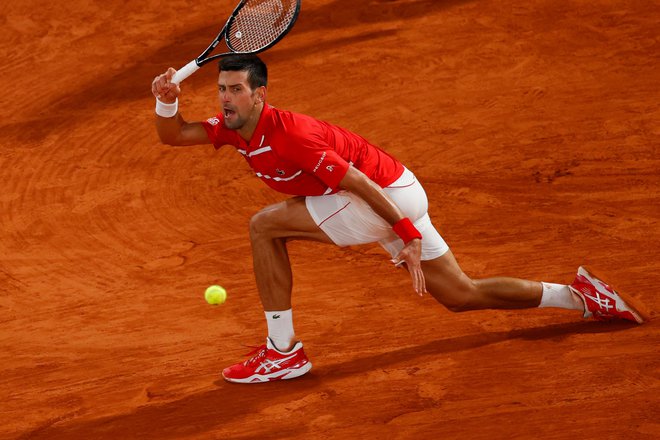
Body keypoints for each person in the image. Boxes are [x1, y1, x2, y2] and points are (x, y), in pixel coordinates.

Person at [151, 54, 645, 384]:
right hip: (397, 191)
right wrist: (166, 98)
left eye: (235, 89)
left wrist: (406, 236)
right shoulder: (236, 128)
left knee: (265, 226)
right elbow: (174, 135)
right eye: (221, 89)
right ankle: (580, 298)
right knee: (460, 295)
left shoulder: (292, 135)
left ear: (260, 94)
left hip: (381, 197)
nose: (224, 99)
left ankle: (283, 352)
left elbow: (358, 184)